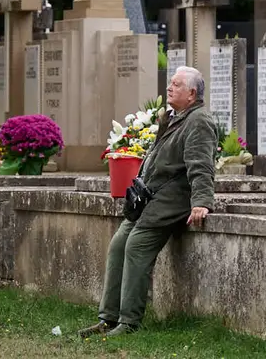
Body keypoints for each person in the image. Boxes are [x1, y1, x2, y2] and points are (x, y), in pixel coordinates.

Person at [78, 66, 217, 338]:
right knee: (119, 244)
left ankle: (129, 323)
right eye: (171, 83)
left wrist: (201, 202)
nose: (169, 88)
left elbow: (201, 165)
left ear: (191, 93)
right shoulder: (174, 117)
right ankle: (108, 318)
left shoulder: (199, 121)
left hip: (171, 200)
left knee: (136, 245)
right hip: (149, 198)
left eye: (176, 85)